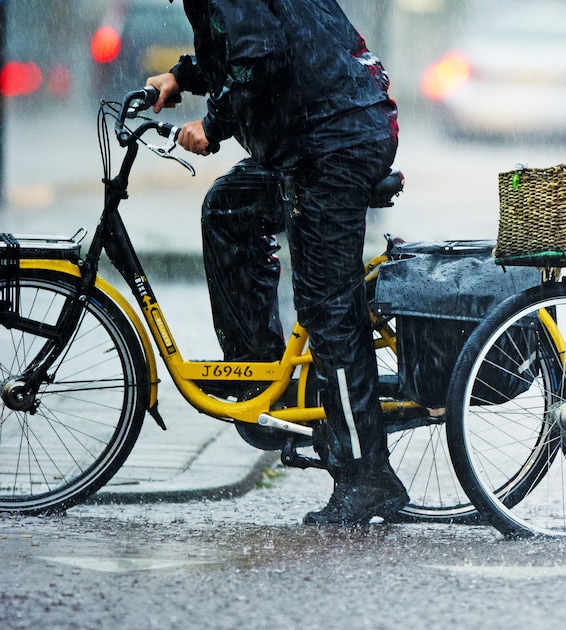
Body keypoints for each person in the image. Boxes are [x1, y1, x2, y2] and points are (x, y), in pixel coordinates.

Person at [146, 0, 408, 525]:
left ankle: (367, 475)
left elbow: (262, 62)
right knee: (229, 208)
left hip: (332, 141)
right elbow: (246, 49)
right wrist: (180, 76)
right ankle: (263, 379)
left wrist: (214, 124)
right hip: (320, 134)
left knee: (327, 306)